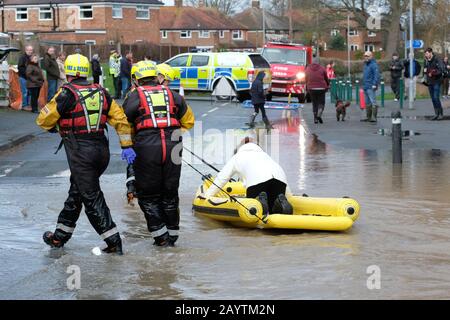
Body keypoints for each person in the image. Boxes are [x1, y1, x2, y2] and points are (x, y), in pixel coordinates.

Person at [36, 53, 135, 255]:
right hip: (101, 152)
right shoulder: (102, 92)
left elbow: (43, 120)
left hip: (81, 154)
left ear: (69, 73)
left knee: (91, 198)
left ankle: (114, 242)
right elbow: (121, 120)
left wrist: (56, 127)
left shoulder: (66, 94)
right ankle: (59, 237)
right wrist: (127, 146)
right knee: (77, 193)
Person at [122, 61, 195, 247]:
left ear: (135, 79)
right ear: (156, 76)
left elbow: (123, 124)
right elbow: (189, 121)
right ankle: (172, 237)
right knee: (170, 194)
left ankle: (161, 238)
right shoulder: (174, 95)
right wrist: (172, 134)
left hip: (147, 148)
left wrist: (127, 145)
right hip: (173, 147)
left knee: (148, 197)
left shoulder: (133, 97)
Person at [125, 62, 179, 203]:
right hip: (143, 142)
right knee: (135, 170)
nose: (168, 85)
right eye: (167, 81)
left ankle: (137, 194)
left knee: (154, 184)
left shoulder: (138, 94)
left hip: (152, 143)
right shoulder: (134, 95)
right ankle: (132, 191)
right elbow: (125, 122)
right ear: (159, 77)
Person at [203, 137, 293, 216]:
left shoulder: (237, 157)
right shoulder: (266, 156)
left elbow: (221, 179)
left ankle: (260, 201)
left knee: (257, 209)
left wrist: (207, 196)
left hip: (257, 182)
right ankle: (280, 202)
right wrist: (290, 197)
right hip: (280, 182)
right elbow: (285, 182)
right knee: (273, 207)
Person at [305, 57, 329, 124]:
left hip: (311, 89)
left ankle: (315, 118)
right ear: (318, 62)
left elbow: (306, 78)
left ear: (312, 62)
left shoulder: (308, 68)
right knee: (321, 102)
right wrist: (328, 84)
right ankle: (320, 112)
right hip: (321, 88)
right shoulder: (322, 68)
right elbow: (326, 78)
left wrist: (307, 86)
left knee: (314, 103)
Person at [424, 48, 445, 120]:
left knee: (436, 97)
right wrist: (425, 75)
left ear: (430, 53)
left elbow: (441, 69)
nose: (426, 55)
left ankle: (441, 114)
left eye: (427, 54)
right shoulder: (426, 60)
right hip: (430, 82)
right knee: (433, 99)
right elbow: (425, 69)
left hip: (437, 81)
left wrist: (433, 73)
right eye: (425, 54)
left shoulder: (437, 59)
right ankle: (436, 114)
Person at [362, 51, 381, 122]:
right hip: (366, 86)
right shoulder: (366, 65)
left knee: (373, 101)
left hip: (371, 86)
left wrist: (374, 84)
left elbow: (376, 75)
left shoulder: (373, 65)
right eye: (365, 56)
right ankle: (368, 117)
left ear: (371, 56)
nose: (366, 57)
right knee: (367, 102)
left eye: (367, 56)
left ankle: (374, 117)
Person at [18, 45, 33, 110]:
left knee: (29, 92)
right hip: (23, 78)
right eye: (29, 50)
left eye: (31, 50)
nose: (30, 51)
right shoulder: (22, 58)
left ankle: (28, 105)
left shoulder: (32, 58)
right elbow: (20, 67)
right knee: (25, 92)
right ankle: (24, 105)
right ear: (26, 50)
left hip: (30, 79)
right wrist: (27, 73)